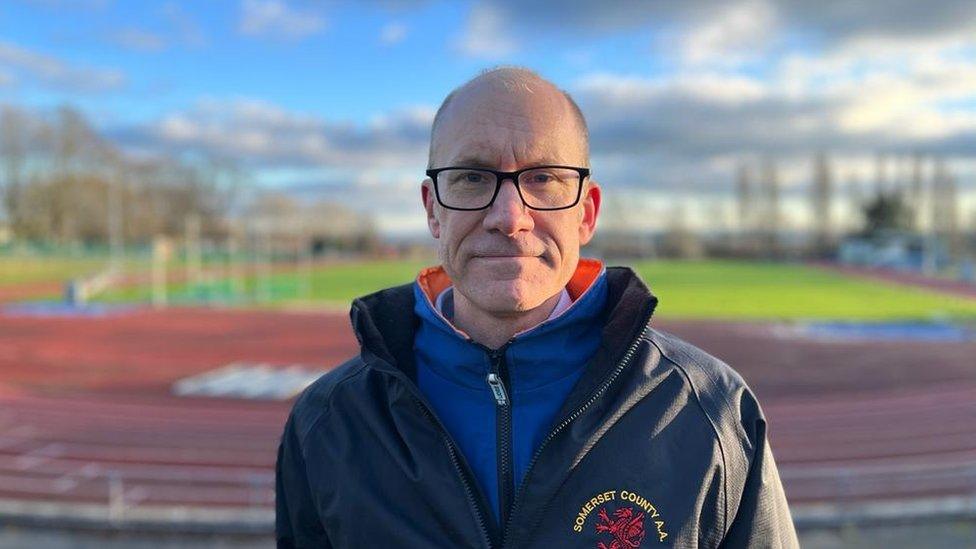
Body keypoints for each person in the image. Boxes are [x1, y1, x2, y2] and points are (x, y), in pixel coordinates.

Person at [275, 67, 799, 548]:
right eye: (472, 178)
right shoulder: (328, 423)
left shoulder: (712, 412)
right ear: (433, 210)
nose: (509, 217)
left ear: (586, 213)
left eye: (544, 178)